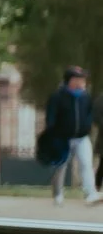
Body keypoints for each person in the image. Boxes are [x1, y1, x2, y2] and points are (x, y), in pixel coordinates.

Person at [42, 65, 98, 204]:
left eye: (83, 79)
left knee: (86, 164)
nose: (82, 81)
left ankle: (90, 193)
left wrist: (87, 126)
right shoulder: (57, 96)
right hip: (62, 138)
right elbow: (50, 117)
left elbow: (90, 113)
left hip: (82, 137)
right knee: (61, 166)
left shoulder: (85, 96)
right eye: (79, 78)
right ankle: (58, 194)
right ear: (71, 80)